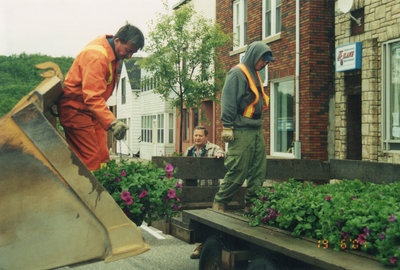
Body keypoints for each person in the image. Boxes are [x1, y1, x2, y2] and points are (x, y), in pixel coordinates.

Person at [58, 23, 144, 171]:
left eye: (132, 53)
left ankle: (104, 186)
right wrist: (113, 122)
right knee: (90, 159)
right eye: (128, 51)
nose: (129, 56)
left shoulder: (113, 52)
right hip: (75, 110)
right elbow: (92, 97)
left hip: (91, 111)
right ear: (117, 40)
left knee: (103, 155)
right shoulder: (97, 57)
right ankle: (88, 194)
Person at [213, 41, 274, 213]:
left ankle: (252, 204)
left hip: (255, 128)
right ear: (254, 56)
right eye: (263, 60)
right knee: (238, 169)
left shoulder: (255, 74)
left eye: (267, 62)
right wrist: (227, 125)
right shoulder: (237, 74)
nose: (265, 64)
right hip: (241, 129)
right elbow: (228, 101)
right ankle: (219, 203)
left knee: (258, 169)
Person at [184, 126, 224, 259]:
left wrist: (220, 155)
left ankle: (204, 247)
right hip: (194, 191)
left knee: (209, 220)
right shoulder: (189, 150)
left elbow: (221, 152)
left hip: (208, 191)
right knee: (198, 219)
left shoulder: (213, 148)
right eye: (195, 135)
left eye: (200, 136)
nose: (197, 138)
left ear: (206, 137)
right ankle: (200, 246)